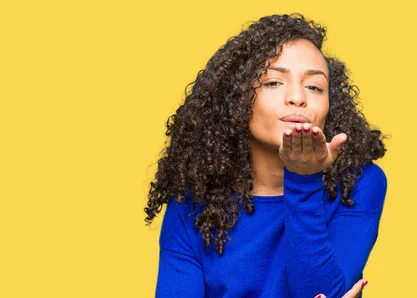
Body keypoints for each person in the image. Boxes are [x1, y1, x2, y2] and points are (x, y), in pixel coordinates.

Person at [144, 13, 388, 298]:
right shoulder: (192, 208)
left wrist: (303, 178)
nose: (298, 97)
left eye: (314, 86)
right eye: (274, 82)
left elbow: (320, 292)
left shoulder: (358, 185)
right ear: (237, 100)